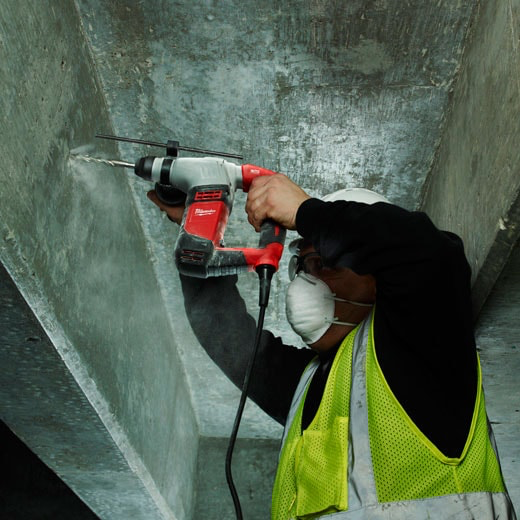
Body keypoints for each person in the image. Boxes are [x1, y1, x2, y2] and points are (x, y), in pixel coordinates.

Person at [148, 173, 516, 519]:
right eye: (305, 267)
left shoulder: (421, 350)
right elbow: (223, 331)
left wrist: (305, 212)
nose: (308, 282)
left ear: (378, 275)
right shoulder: (310, 384)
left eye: (325, 264)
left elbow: (427, 255)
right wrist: (199, 227)